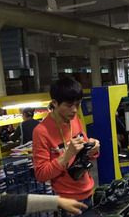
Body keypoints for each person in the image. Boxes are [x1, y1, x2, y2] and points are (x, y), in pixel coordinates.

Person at [32, 78, 100, 206]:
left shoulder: (74, 120)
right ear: (55, 103)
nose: (74, 110)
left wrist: (93, 149)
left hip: (88, 190)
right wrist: (67, 155)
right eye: (69, 105)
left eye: (78, 104)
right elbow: (41, 174)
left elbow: (85, 153)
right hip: (66, 200)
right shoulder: (41, 132)